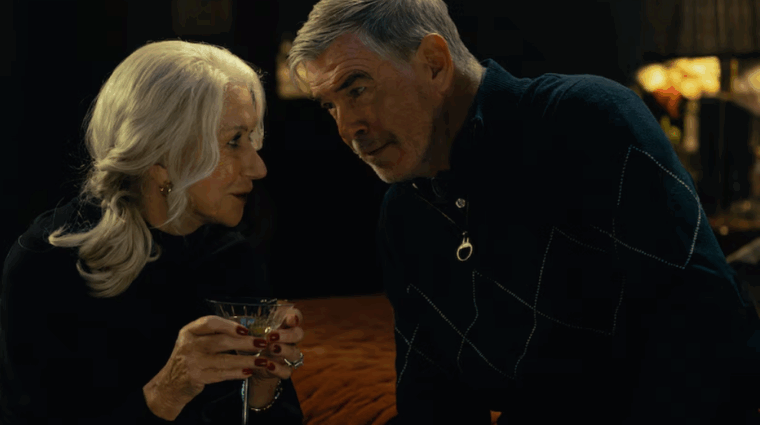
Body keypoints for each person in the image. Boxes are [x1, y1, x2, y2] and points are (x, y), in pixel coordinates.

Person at [287, 1, 760, 424]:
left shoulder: (585, 119)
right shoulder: (405, 213)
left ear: (434, 63)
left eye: (357, 89)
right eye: (330, 106)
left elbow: (706, 327)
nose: (347, 128)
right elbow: (431, 399)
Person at [0, 40, 305, 424]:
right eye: (234, 142)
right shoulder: (47, 263)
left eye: (251, 139)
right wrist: (167, 392)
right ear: (162, 160)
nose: (258, 168)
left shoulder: (231, 258)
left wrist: (262, 389)